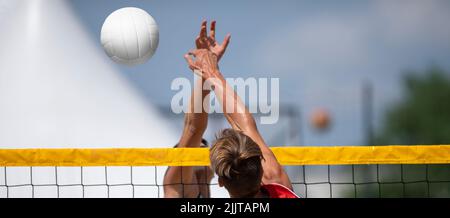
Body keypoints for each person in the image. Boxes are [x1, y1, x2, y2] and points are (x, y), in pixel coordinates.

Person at [183, 21, 298, 198]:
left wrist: (205, 71)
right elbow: (244, 125)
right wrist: (212, 72)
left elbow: (193, 129)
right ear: (261, 170)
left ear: (220, 182)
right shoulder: (279, 189)